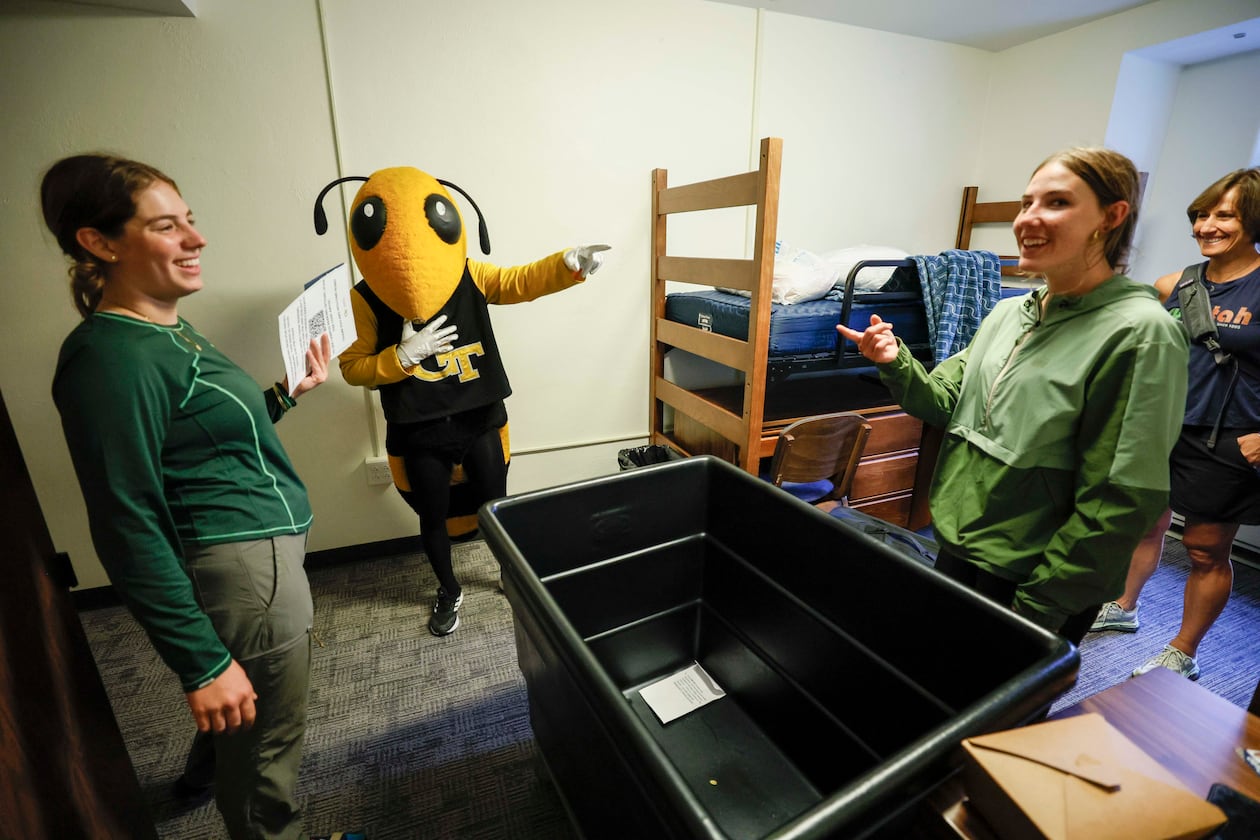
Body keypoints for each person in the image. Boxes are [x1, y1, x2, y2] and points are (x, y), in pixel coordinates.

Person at [43, 153, 343, 840]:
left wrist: (284, 395)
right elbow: (126, 521)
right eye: (166, 226)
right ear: (100, 242)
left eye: (191, 222)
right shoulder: (111, 359)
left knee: (251, 720)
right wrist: (202, 663)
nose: (196, 239)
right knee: (269, 745)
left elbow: (205, 438)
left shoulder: (164, 329)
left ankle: (201, 776)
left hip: (262, 553)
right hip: (243, 573)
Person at [837, 147, 1189, 645]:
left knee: (1005, 715)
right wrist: (896, 362)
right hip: (962, 543)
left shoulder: (1138, 334)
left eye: (1057, 202)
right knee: (943, 690)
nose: (1028, 219)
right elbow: (944, 402)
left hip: (1033, 576)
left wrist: (1042, 606)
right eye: (1026, 203)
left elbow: (1120, 498)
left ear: (1112, 217)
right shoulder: (1008, 313)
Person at [327, 165, 607, 638]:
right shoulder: (365, 298)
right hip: (420, 429)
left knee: (496, 506)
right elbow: (353, 367)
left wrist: (568, 265)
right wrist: (400, 358)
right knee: (432, 517)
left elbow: (519, 281)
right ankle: (448, 588)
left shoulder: (468, 274)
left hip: (479, 417)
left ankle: (508, 572)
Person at [1090, 167, 1260, 681]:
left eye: (1224, 215)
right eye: (1201, 215)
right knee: (1144, 523)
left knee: (1205, 548)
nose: (1207, 225)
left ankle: (1183, 650)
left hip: (1229, 435)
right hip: (1162, 426)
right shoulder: (1175, 284)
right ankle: (1125, 605)